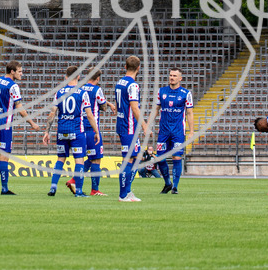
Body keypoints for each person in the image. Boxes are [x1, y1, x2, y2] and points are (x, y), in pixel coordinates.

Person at [0, 60, 40, 195]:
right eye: (19, 71)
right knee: (4, 156)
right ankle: (4, 188)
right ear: (12, 71)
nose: (22, 74)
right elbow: (19, 108)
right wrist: (32, 123)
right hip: (4, 124)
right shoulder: (13, 86)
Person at [43, 66, 99, 197]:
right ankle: (78, 191)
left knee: (60, 159)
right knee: (79, 160)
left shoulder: (59, 92)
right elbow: (90, 115)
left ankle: (53, 187)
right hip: (77, 132)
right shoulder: (81, 93)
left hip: (62, 130)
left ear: (66, 77)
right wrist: (96, 131)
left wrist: (47, 131)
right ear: (79, 77)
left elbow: (52, 113)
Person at [74, 69, 115, 196]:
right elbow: (102, 106)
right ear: (98, 79)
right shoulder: (97, 89)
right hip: (92, 128)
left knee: (89, 158)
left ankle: (74, 181)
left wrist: (107, 102)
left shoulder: (80, 88)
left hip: (80, 128)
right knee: (96, 158)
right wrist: (107, 104)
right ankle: (94, 189)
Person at [153, 67, 194, 195]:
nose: (172, 77)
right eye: (171, 75)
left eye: (175, 76)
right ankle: (167, 183)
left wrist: (191, 131)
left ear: (180, 78)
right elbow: (156, 109)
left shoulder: (186, 93)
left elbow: (189, 113)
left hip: (178, 132)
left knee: (177, 157)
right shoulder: (161, 91)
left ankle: (175, 187)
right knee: (160, 158)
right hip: (163, 131)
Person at [115, 56, 147, 201]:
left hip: (123, 125)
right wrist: (145, 126)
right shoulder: (132, 85)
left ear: (125, 67)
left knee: (136, 157)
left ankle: (127, 192)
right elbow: (134, 107)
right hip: (129, 127)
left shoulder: (119, 82)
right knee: (129, 160)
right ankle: (123, 195)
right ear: (139, 68)